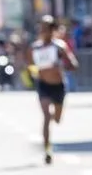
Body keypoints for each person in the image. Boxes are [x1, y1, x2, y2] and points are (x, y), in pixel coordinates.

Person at [26, 16, 78, 165]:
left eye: (47, 28)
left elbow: (73, 64)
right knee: (46, 117)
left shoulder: (59, 47)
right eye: (41, 28)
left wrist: (62, 65)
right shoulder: (34, 48)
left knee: (57, 119)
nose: (43, 31)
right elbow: (29, 66)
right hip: (43, 85)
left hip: (58, 85)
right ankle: (48, 150)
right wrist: (34, 72)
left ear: (52, 30)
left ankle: (57, 114)